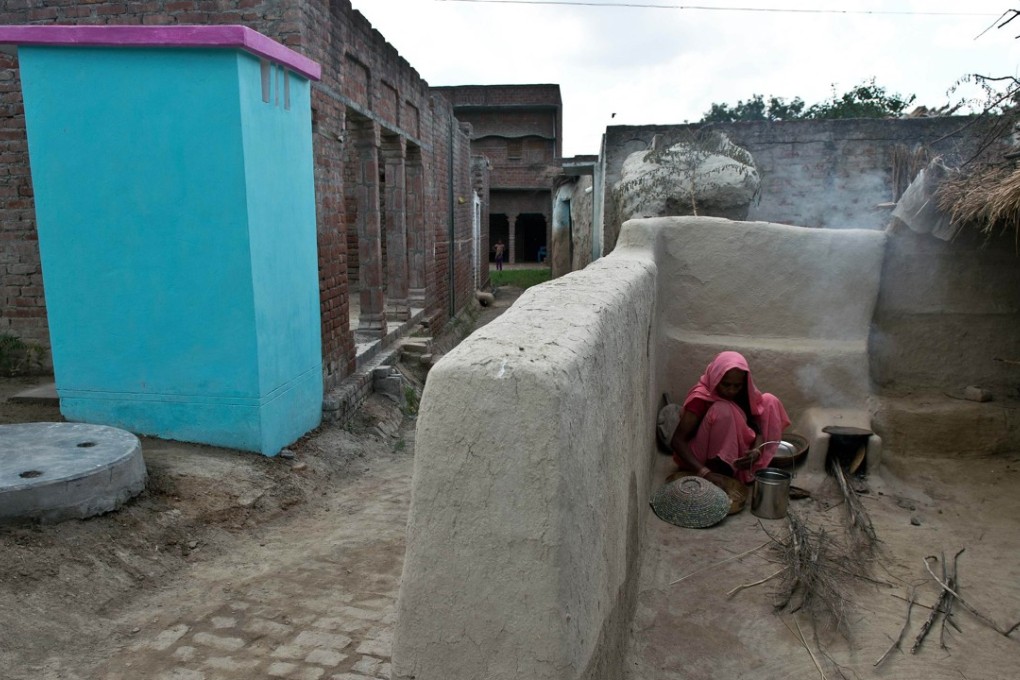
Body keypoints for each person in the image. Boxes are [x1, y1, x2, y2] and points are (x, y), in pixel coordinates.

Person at [669, 351, 790, 485]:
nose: (731, 391)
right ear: (716, 379)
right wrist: (705, 473)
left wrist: (756, 452)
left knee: (769, 401)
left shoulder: (742, 392)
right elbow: (677, 441)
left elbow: (756, 426)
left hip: (732, 450)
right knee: (722, 409)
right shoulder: (700, 398)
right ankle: (720, 471)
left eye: (737, 386)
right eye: (726, 385)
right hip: (699, 458)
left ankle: (746, 468)